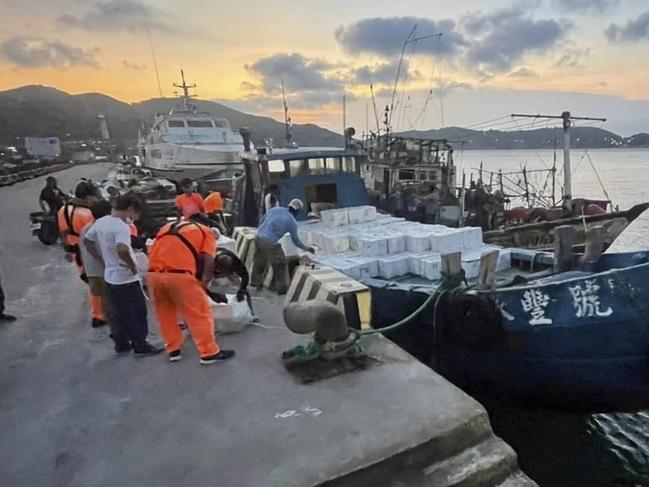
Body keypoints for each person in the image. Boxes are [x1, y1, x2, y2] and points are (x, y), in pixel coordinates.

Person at [147, 217, 235, 364]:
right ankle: (209, 353)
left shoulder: (168, 227)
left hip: (154, 275)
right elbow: (208, 260)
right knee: (199, 313)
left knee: (165, 314)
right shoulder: (205, 231)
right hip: (180, 276)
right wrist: (205, 282)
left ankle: (173, 350)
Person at [84, 193, 163, 356]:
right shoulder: (121, 227)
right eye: (136, 213)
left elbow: (88, 241)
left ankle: (122, 343)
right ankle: (141, 344)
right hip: (126, 277)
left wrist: (101, 258)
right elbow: (122, 248)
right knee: (137, 312)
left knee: (119, 312)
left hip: (110, 276)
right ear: (130, 209)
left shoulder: (101, 222)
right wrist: (131, 265)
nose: (135, 217)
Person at [57, 181, 105, 327]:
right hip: (87, 252)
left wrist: (67, 251)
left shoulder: (63, 210)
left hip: (74, 251)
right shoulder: (86, 214)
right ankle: (99, 316)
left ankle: (99, 313)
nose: (96, 200)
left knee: (91, 281)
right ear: (87, 197)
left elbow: (62, 233)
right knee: (96, 282)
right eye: (94, 197)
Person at [251, 199, 314, 295]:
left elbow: (262, 220)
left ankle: (255, 284)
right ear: (297, 211)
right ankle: (282, 289)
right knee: (280, 264)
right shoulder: (291, 222)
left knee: (259, 262)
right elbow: (296, 241)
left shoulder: (275, 210)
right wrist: (307, 248)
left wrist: (261, 231)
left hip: (258, 237)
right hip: (270, 242)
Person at [80, 200, 113, 328]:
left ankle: (97, 316)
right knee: (109, 297)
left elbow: (82, 248)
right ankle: (112, 323)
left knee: (95, 293)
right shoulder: (104, 229)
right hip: (104, 269)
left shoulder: (85, 228)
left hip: (91, 269)